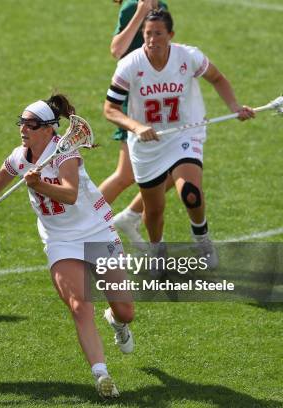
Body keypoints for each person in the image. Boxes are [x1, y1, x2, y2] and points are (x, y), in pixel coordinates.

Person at [0, 94, 135, 398]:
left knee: (126, 310)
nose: (24, 128)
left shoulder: (66, 154)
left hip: (97, 231)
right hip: (60, 239)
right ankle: (101, 375)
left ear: (50, 128)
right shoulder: (18, 158)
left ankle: (117, 323)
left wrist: (38, 185)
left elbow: (70, 194)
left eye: (31, 124)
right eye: (22, 122)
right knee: (79, 306)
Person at [103, 9, 255, 267]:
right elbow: (109, 109)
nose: (152, 39)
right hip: (146, 145)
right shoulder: (130, 64)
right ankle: (157, 251)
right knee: (153, 211)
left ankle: (202, 240)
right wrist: (137, 127)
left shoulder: (188, 57)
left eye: (158, 33)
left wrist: (234, 107)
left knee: (191, 192)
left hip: (185, 133)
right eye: (148, 34)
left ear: (170, 35)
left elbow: (217, 78)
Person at [100, 0, 170, 247]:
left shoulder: (160, 4)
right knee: (125, 175)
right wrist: (141, 12)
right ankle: (84, 221)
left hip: (158, 101)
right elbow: (117, 49)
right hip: (137, 104)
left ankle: (127, 216)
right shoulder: (133, 6)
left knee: (174, 169)